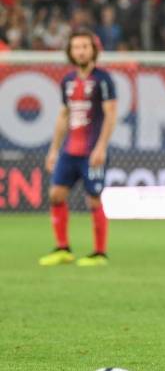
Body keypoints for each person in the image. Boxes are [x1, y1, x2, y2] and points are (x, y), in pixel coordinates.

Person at [39, 30, 117, 267]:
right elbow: (64, 115)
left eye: (84, 46)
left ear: (93, 50)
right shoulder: (68, 81)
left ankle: (99, 253)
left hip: (92, 152)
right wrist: (54, 149)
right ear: (70, 52)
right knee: (56, 195)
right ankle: (63, 249)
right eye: (76, 47)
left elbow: (111, 114)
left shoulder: (103, 80)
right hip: (69, 151)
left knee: (93, 199)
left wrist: (101, 147)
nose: (80, 51)